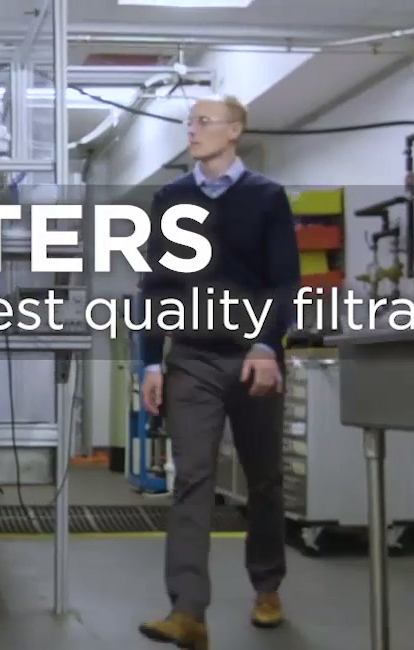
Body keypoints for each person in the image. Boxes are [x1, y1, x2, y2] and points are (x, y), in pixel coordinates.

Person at [135, 95, 299, 649]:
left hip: (252, 355)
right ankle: (188, 611)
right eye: (190, 121)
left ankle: (267, 586)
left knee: (264, 478)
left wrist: (265, 345)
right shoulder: (172, 198)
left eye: (204, 122)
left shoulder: (267, 198)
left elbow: (283, 282)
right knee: (192, 479)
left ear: (234, 131)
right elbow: (156, 285)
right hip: (193, 358)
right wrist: (151, 361)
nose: (193, 129)